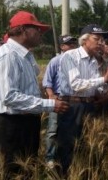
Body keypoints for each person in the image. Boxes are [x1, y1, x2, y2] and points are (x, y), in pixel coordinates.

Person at [0, 11, 69, 179]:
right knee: (10, 173)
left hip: (25, 124)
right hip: (10, 126)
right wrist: (50, 104)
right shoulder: (8, 56)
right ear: (23, 30)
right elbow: (9, 97)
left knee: (26, 172)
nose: (40, 33)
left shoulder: (24, 56)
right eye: (37, 29)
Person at [57, 24, 108, 177]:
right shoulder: (70, 56)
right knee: (69, 146)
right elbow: (76, 84)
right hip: (73, 106)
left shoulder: (93, 60)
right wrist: (103, 79)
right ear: (84, 40)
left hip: (90, 105)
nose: (100, 42)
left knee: (86, 144)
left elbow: (94, 86)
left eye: (102, 40)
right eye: (96, 39)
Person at [42, 35, 78, 168]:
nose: (72, 46)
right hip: (58, 98)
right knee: (53, 130)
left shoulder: (78, 61)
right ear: (62, 47)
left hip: (74, 100)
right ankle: (50, 158)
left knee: (70, 129)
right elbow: (47, 82)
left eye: (74, 43)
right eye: (69, 44)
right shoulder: (55, 61)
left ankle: (67, 156)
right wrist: (51, 96)